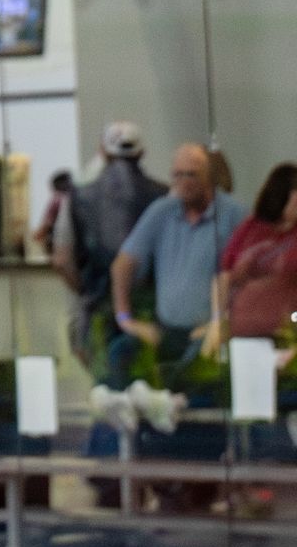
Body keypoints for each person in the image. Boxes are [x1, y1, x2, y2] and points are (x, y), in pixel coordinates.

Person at [95, 143, 244, 435]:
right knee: (121, 350)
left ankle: (161, 409)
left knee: (200, 361)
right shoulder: (162, 211)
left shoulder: (233, 215)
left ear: (209, 176)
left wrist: (222, 320)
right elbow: (122, 266)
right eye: (177, 175)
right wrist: (126, 319)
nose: (183, 182)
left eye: (192, 174)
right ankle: (121, 412)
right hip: (166, 328)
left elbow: (242, 276)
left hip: (210, 329)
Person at [52, 122, 167, 369]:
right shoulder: (163, 196)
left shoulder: (77, 197)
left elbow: (61, 260)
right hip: (149, 312)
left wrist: (86, 290)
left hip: (97, 310)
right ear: (141, 153)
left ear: (102, 151)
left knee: (107, 389)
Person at [216, 164, 297, 350]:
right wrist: (218, 321)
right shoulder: (250, 228)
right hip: (243, 331)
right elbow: (226, 274)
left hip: (284, 334)